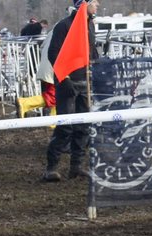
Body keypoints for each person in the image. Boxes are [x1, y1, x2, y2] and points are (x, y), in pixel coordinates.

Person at [40, 0, 99, 182]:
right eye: (94, 2)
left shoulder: (89, 25)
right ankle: (51, 168)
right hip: (68, 84)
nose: (97, 5)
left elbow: (92, 53)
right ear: (84, 4)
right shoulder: (64, 26)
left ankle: (76, 166)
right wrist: (64, 79)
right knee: (65, 126)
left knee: (83, 126)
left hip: (85, 83)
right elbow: (53, 53)